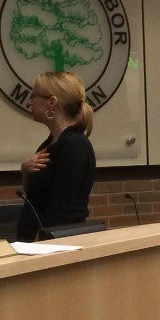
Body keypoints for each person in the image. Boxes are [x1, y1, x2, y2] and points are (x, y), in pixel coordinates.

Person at [17, 71, 95, 243]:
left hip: (56, 242)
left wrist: (40, 242)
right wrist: (25, 172)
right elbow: (34, 197)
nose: (29, 102)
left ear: (52, 103)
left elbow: (61, 208)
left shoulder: (74, 145)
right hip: (36, 240)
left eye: (34, 96)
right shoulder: (49, 144)